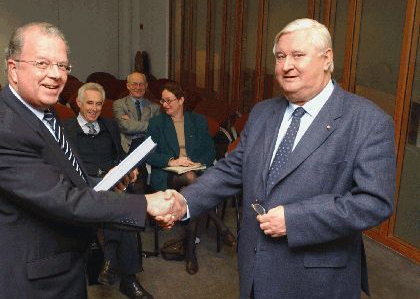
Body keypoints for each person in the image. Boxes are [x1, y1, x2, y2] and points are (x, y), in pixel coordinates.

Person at [168, 18, 396, 299]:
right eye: (280, 56)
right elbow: (233, 169)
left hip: (317, 280)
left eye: (298, 55)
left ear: (327, 59)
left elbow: (374, 202)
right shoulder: (263, 112)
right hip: (254, 267)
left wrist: (295, 219)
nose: (286, 65)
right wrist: (186, 201)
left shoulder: (368, 121)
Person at [0, 22, 173, 299]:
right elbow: (63, 200)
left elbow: (58, 179)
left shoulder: (42, 113)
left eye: (62, 66)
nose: (55, 75)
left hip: (61, 266)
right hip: (30, 282)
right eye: (42, 63)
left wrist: (104, 184)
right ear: (12, 68)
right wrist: (147, 202)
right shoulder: (1, 133)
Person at [63, 82, 153, 299]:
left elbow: (120, 157)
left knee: (122, 201)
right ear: (78, 103)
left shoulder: (110, 125)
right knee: (121, 204)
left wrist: (128, 170)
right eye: (90, 103)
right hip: (85, 184)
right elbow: (65, 166)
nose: (94, 109)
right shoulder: (66, 129)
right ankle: (127, 278)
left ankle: (112, 262)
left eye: (99, 104)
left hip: (113, 182)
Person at [146, 82, 236, 275]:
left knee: (190, 184)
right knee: (192, 181)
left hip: (193, 171)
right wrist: (172, 160)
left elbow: (209, 150)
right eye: (163, 100)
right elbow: (149, 155)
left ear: (181, 100)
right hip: (167, 173)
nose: (165, 104)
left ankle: (190, 252)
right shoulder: (156, 123)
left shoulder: (198, 121)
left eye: (169, 100)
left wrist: (194, 162)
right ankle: (220, 226)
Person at [112, 72, 160, 193]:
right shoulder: (119, 104)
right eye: (134, 84)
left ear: (146, 85)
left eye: (141, 84)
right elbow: (126, 127)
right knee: (138, 175)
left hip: (148, 146)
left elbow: (157, 129)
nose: (138, 88)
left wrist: (132, 123)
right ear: (128, 86)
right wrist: (150, 125)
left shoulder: (155, 107)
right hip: (128, 146)